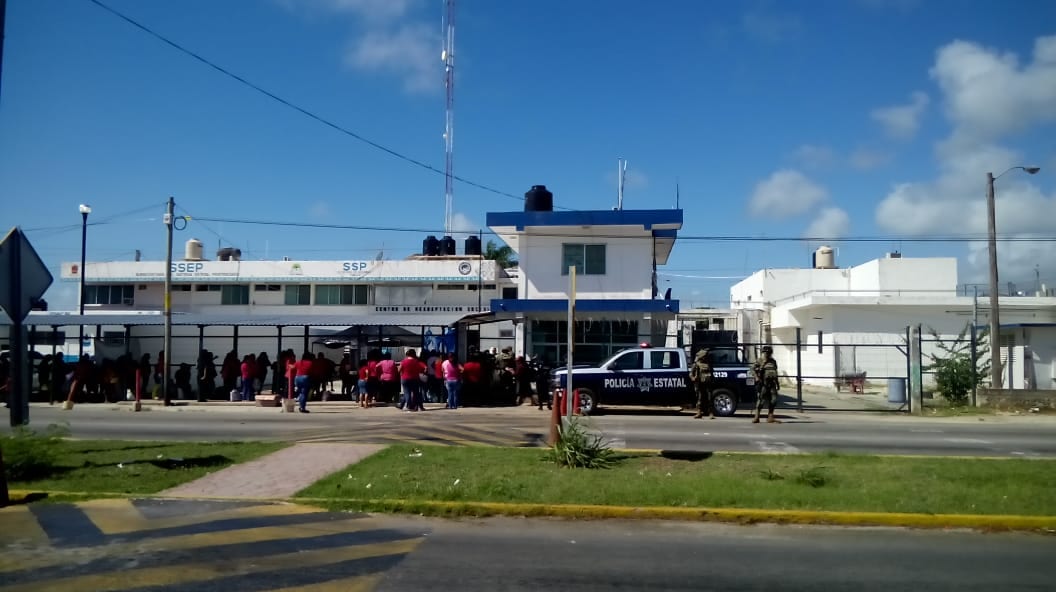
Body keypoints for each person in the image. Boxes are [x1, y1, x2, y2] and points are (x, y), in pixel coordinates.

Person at [752, 345, 780, 423]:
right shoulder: (759, 361)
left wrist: (777, 383)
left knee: (774, 400)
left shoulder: (773, 361)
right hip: (763, 383)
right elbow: (752, 369)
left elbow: (775, 372)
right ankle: (757, 417)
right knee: (761, 400)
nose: (767, 354)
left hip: (772, 383)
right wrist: (756, 377)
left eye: (769, 352)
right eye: (765, 352)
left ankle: (770, 417)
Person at [690, 348, 714, 419]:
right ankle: (699, 412)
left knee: (709, 399)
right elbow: (691, 374)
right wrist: (693, 378)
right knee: (700, 399)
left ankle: (710, 413)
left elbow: (712, 373)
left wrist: (712, 380)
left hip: (708, 384)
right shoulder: (696, 364)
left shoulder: (708, 364)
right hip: (700, 383)